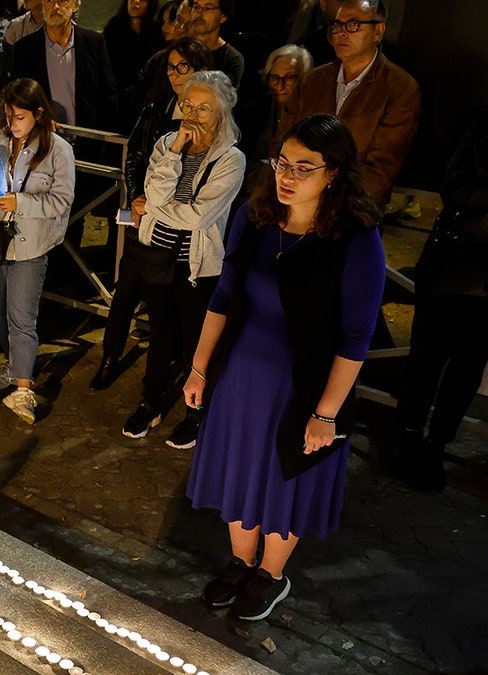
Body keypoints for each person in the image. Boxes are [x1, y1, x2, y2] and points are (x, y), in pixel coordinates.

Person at [184, 113, 385, 621]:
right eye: (281, 163)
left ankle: (271, 575)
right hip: (241, 378)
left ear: (334, 173)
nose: (287, 177)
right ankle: (240, 561)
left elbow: (356, 337)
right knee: (239, 469)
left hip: (304, 386)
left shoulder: (355, 239)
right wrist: (199, 368)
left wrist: (327, 413)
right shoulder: (253, 218)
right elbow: (223, 297)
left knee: (283, 477)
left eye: (304, 167)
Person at [117, 70, 245, 445]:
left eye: (203, 108)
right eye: (188, 104)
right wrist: (174, 153)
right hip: (157, 255)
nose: (193, 114)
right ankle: (149, 402)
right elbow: (150, 191)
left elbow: (199, 216)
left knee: (196, 341)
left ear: (221, 111)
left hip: (197, 266)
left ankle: (196, 412)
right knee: (160, 334)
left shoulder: (231, 159)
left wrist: (156, 208)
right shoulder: (166, 143)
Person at [91, 37, 212, 392]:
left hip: (183, 228)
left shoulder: (212, 120)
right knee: (125, 291)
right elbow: (136, 157)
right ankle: (110, 357)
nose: (175, 75)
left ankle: (167, 377)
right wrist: (138, 198)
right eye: (171, 67)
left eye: (184, 67)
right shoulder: (157, 108)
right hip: (145, 217)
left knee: (168, 305)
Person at [393, 106, 488, 494]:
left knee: (468, 367)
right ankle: (409, 437)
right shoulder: (479, 119)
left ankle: (436, 445)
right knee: (426, 357)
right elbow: (454, 192)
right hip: (452, 263)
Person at [0, 78, 75, 424]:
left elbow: (62, 201)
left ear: (38, 113)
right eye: (8, 116)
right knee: (0, 312)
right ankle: (13, 365)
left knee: (22, 316)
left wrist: (20, 202)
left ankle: (23, 388)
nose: (12, 124)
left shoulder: (58, 150)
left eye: (19, 117)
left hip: (31, 243)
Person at [276, 0, 420, 209]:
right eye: (337, 25)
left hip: (353, 211)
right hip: (297, 206)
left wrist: (329, 205)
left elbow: (381, 170)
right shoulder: (312, 81)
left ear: (378, 31)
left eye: (353, 25)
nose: (342, 33)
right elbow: (282, 141)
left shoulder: (400, 88)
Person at [8, 0, 118, 137]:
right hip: (41, 142)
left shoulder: (94, 44)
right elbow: (17, 99)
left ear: (76, 4)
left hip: (87, 143)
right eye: (49, 1)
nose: (55, 7)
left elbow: (108, 98)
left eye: (62, 0)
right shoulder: (25, 49)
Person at [236, 43, 311, 164]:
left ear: (304, 79)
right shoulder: (250, 113)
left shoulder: (311, 118)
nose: (280, 86)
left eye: (289, 78)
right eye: (275, 78)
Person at [103, 0, 163, 100]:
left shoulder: (158, 31)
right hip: (117, 90)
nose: (136, 2)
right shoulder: (113, 28)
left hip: (148, 91)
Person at [186, 0, 243, 89]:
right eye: (196, 7)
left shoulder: (231, 59)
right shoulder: (178, 50)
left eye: (207, 8)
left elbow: (224, 97)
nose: (198, 13)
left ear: (223, 16)